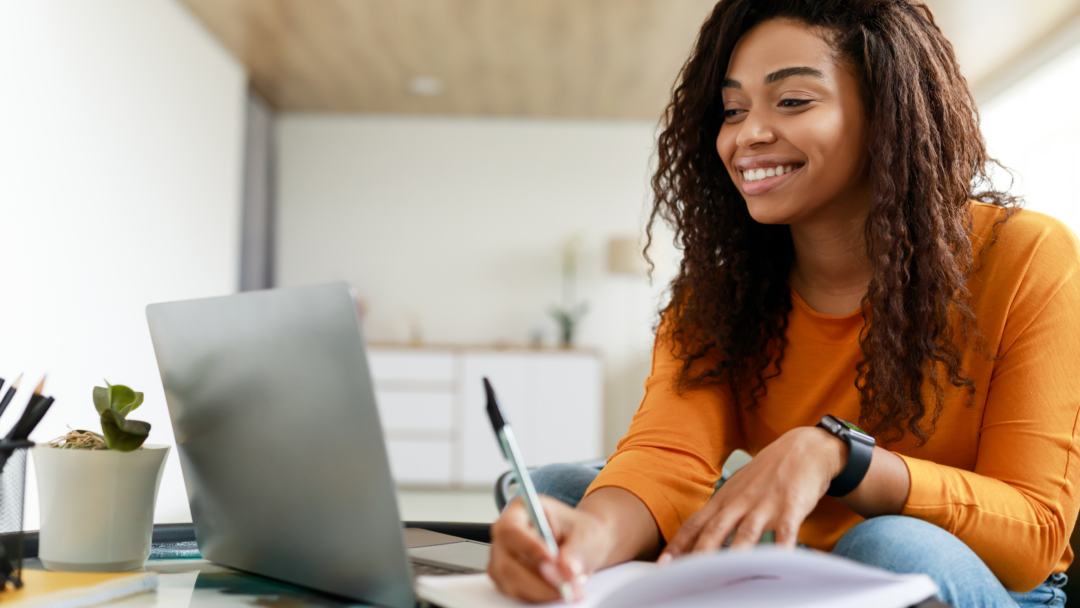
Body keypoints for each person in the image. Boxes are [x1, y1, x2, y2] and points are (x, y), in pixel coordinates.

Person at [487, 1, 1080, 607]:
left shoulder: (1028, 256)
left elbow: (1033, 534)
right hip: (795, 562)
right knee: (555, 493)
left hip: (980, 578)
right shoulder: (721, 294)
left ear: (887, 114)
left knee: (893, 547)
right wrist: (587, 540)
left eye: (793, 101)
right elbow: (666, 455)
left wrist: (838, 455)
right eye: (733, 110)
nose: (748, 135)